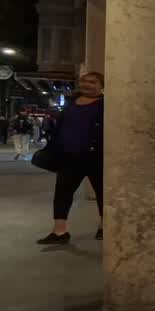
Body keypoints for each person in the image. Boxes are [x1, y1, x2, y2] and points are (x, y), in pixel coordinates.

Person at [37, 72, 105, 245]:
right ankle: (60, 231)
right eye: (84, 81)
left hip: (96, 156)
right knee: (62, 192)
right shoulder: (71, 102)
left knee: (103, 193)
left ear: (101, 86)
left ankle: (105, 226)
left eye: (93, 82)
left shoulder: (106, 104)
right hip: (69, 156)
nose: (87, 84)